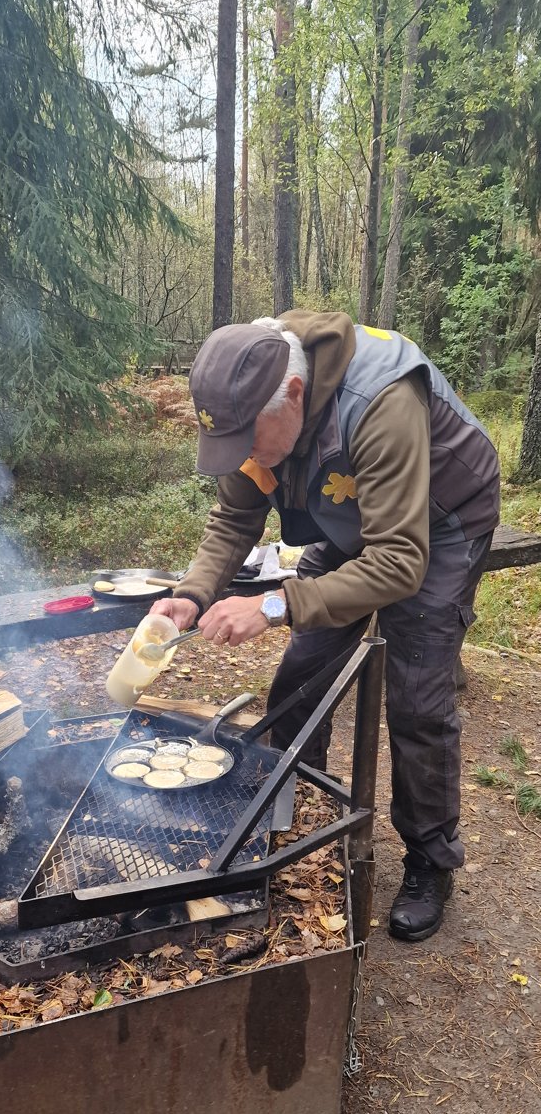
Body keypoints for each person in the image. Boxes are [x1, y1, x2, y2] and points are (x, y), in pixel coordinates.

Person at [151, 313, 500, 943]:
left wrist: (275, 606)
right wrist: (192, 594)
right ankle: (299, 805)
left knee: (417, 698)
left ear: (291, 395)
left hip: (439, 524)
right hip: (351, 521)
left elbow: (398, 562)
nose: (244, 456)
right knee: (302, 674)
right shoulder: (250, 399)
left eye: (248, 441)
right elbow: (235, 519)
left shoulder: (379, 404)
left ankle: (430, 860)